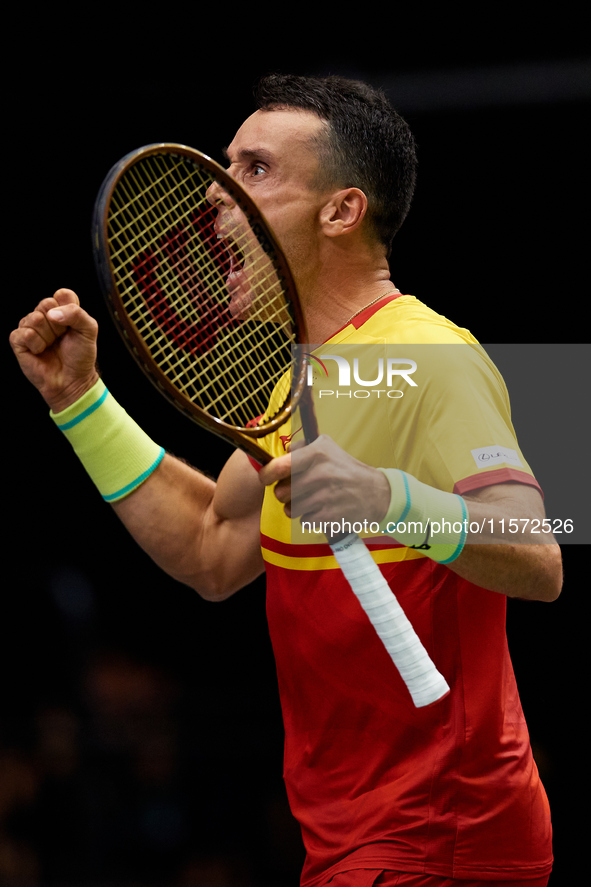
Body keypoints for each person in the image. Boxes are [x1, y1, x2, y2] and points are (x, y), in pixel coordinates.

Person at [10, 74, 562, 887]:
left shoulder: (428, 356)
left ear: (341, 210)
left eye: (255, 171)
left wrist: (387, 497)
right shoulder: (298, 381)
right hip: (343, 831)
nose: (217, 196)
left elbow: (540, 554)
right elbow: (209, 549)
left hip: (441, 831)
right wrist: (79, 402)